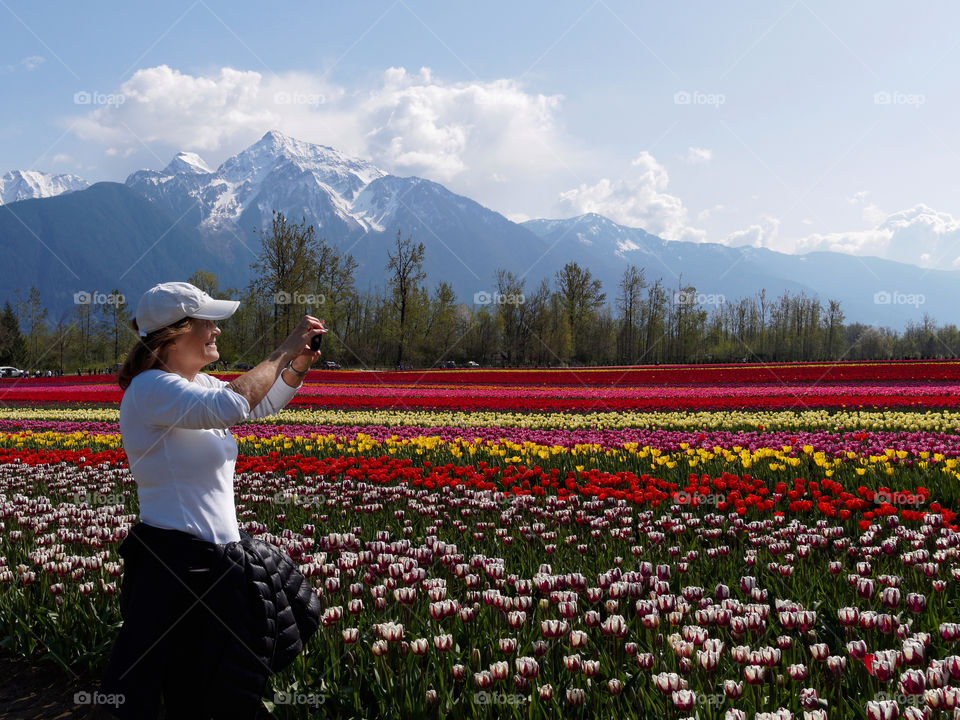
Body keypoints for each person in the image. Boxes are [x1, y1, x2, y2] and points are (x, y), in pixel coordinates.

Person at [94, 282, 326, 719]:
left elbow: (256, 406)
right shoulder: (151, 389)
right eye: (208, 323)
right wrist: (281, 350)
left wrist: (294, 366)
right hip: (173, 565)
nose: (217, 331)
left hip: (214, 561)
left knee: (210, 689)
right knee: (160, 690)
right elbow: (232, 405)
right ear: (174, 334)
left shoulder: (193, 383)